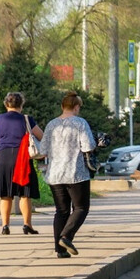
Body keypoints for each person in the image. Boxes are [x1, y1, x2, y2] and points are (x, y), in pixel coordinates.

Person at [40, 92, 96, 258]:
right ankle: (66, 237)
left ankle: (60, 250)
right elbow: (87, 146)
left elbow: (43, 150)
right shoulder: (80, 123)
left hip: (55, 174)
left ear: (62, 106)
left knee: (61, 211)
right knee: (80, 208)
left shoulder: (51, 124)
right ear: (76, 106)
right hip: (75, 173)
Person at [0, 92, 44, 235]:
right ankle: (27, 225)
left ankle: (5, 226)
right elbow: (41, 136)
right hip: (22, 158)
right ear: (21, 104)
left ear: (6, 104)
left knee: (6, 194)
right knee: (25, 194)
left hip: (4, 157)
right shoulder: (27, 119)